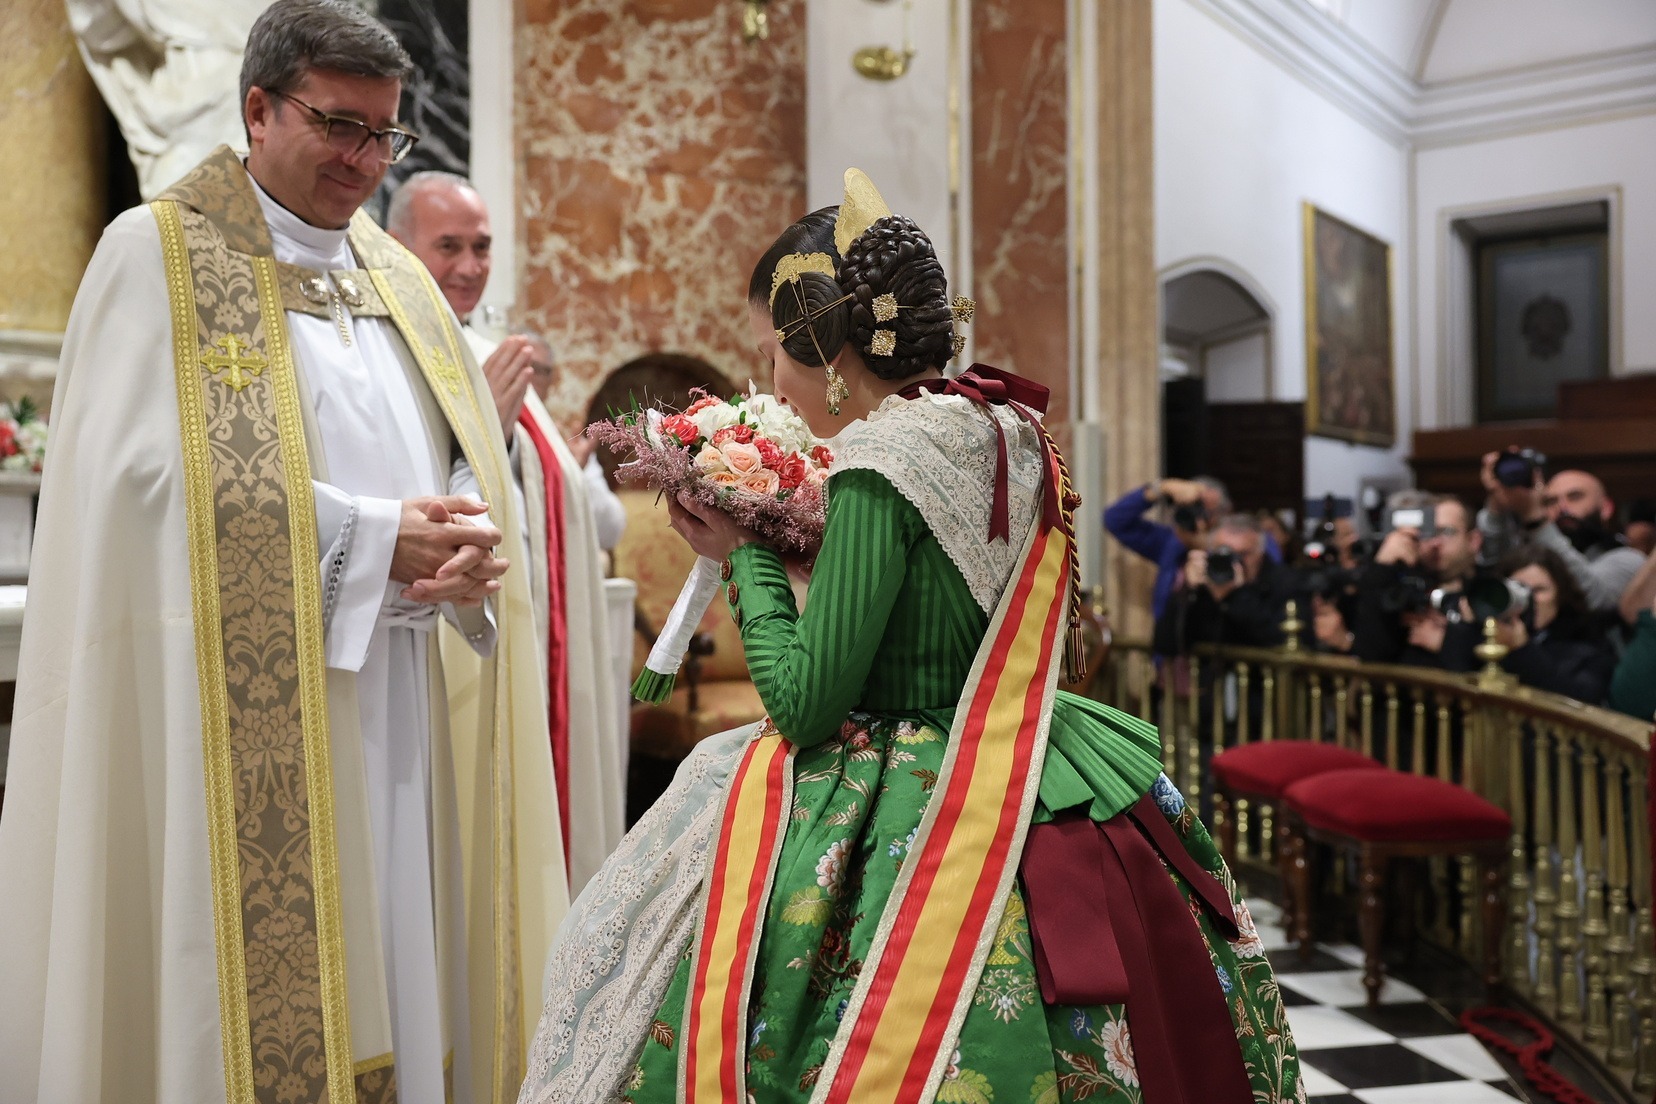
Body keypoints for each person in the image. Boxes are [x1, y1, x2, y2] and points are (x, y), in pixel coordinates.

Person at [519, 171, 1301, 1103]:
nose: (772, 381)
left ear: (824, 347)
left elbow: (805, 704)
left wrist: (745, 555)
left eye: (772, 353)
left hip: (909, 791)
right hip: (1044, 762)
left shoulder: (879, 464)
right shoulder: (1010, 428)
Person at [0, 4, 567, 1101]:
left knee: (402, 958)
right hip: (240, 700)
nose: (364, 160)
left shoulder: (398, 277)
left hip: (400, 686)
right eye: (338, 126)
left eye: (385, 135)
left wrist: (462, 531)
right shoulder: (157, 254)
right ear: (258, 109)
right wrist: (371, 538)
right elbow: (136, 483)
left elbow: (460, 445)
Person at [390, 170, 624, 890]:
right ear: (399, 246)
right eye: (449, 246)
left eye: (482, 247)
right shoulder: (391, 351)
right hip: (441, 633)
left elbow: (563, 503)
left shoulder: (486, 347)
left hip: (525, 624)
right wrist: (484, 425)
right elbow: (406, 490)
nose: (470, 266)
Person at [1478, 454, 1643, 615]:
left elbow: (1592, 599)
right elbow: (1494, 568)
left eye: (1575, 497)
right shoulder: (1533, 552)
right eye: (1551, 501)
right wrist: (1496, 505)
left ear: (1606, 508)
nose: (1562, 508)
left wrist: (1535, 519)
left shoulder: (1628, 559)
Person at [1103, 475, 1280, 621]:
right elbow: (1115, 520)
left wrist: (1209, 545)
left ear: (1226, 511)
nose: (1197, 518)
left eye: (1205, 510)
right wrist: (1162, 487)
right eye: (1189, 509)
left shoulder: (1250, 540)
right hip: (1174, 645)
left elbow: (1270, 575)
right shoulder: (1171, 543)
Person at [1351, 493, 1485, 671]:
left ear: (1473, 540)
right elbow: (1369, 655)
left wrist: (1446, 643)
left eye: (1446, 532)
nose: (1435, 542)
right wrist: (1382, 568)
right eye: (1427, 532)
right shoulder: (1401, 590)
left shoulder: (1487, 592)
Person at [1154, 513, 1306, 653]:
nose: (1234, 562)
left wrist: (1237, 595)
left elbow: (1281, 642)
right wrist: (1186, 591)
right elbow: (1164, 644)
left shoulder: (1287, 582)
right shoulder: (1206, 584)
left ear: (1260, 553)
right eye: (1225, 553)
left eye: (1243, 554)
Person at [1494, 546, 1617, 703]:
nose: (1530, 599)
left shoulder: (1591, 642)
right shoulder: (1489, 630)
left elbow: (1582, 698)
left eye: (1539, 590)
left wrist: (1524, 651)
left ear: (1560, 594)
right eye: (1519, 590)